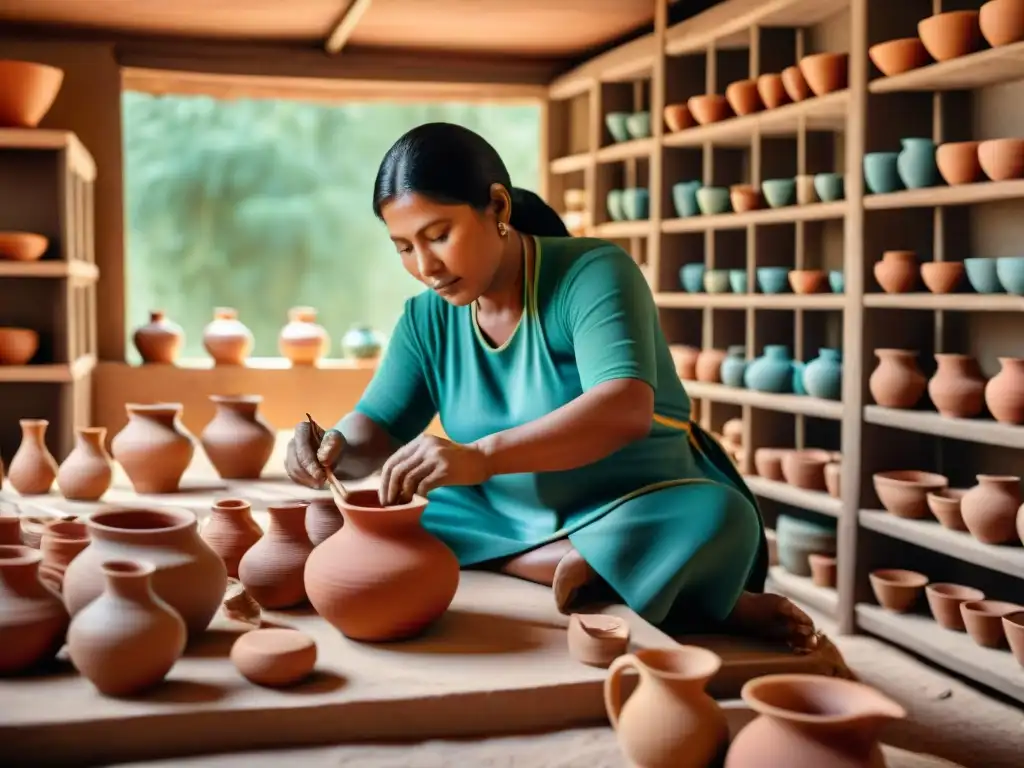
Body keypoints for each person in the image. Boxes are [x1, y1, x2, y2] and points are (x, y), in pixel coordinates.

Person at [286, 122, 815, 649]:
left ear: (496, 207)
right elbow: (376, 426)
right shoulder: (426, 318)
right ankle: (578, 564)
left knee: (718, 517)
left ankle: (605, 566)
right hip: (495, 510)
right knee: (347, 518)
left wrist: (481, 457)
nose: (426, 267)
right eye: (403, 247)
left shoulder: (593, 273)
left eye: (439, 235)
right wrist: (330, 449)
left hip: (629, 500)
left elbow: (624, 408)